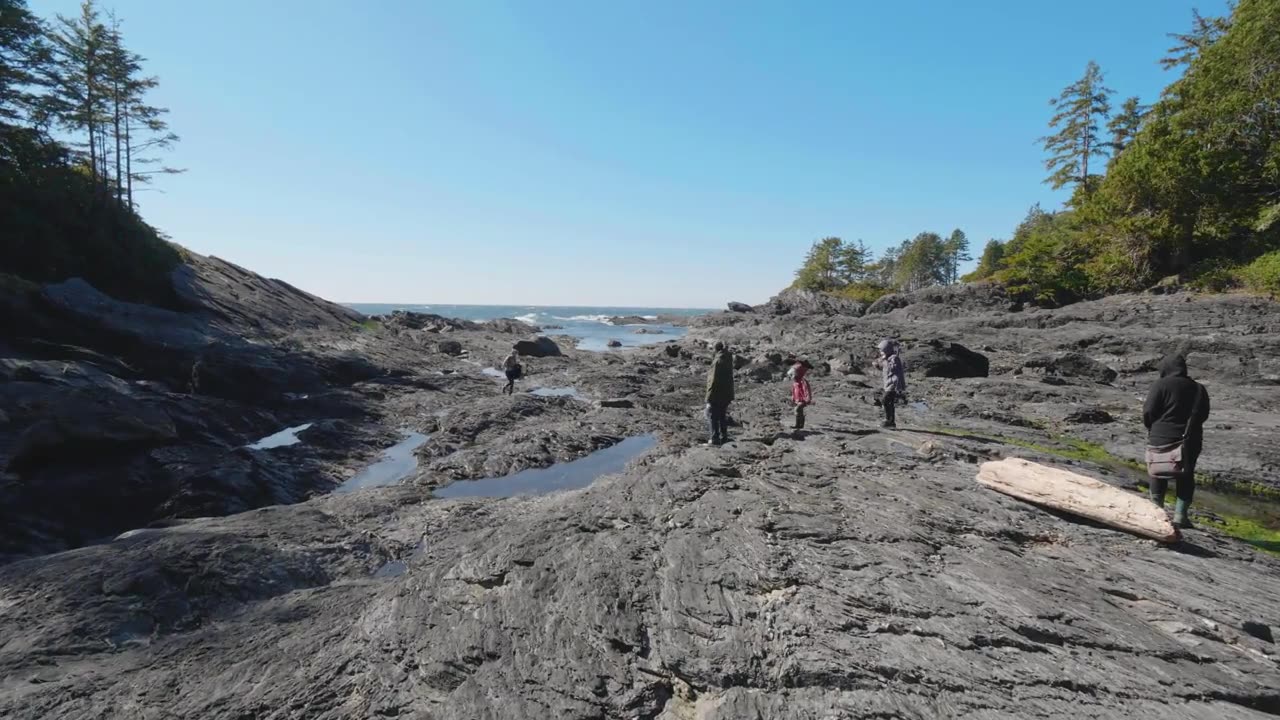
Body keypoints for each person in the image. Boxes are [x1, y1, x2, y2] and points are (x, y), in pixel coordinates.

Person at [1143, 353, 1210, 529]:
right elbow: (1203, 415)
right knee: (1186, 475)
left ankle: (1157, 512)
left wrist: (1153, 426)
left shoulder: (1160, 385)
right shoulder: (1199, 389)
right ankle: (1181, 515)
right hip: (1190, 439)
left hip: (1161, 435)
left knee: (1157, 472)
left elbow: (1148, 411)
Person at [705, 341, 735, 445]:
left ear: (715, 349)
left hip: (717, 393)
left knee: (712, 415)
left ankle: (714, 439)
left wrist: (708, 398)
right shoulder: (727, 358)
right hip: (727, 393)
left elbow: (712, 381)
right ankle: (724, 437)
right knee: (722, 415)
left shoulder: (717, 361)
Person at [873, 338, 906, 429]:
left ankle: (889, 421)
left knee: (886, 400)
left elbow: (893, 369)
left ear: (887, 350)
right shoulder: (888, 358)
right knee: (889, 402)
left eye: (882, 350)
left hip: (893, 385)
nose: (880, 352)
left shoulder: (894, 358)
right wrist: (878, 365)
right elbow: (885, 369)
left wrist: (884, 361)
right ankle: (891, 421)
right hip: (888, 384)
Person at [787, 358, 813, 430]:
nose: (792, 376)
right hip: (798, 399)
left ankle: (800, 424)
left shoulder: (802, 381)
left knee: (798, 410)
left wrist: (807, 398)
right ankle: (799, 424)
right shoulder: (796, 382)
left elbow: (806, 390)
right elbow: (794, 390)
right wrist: (793, 397)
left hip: (802, 399)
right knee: (798, 411)